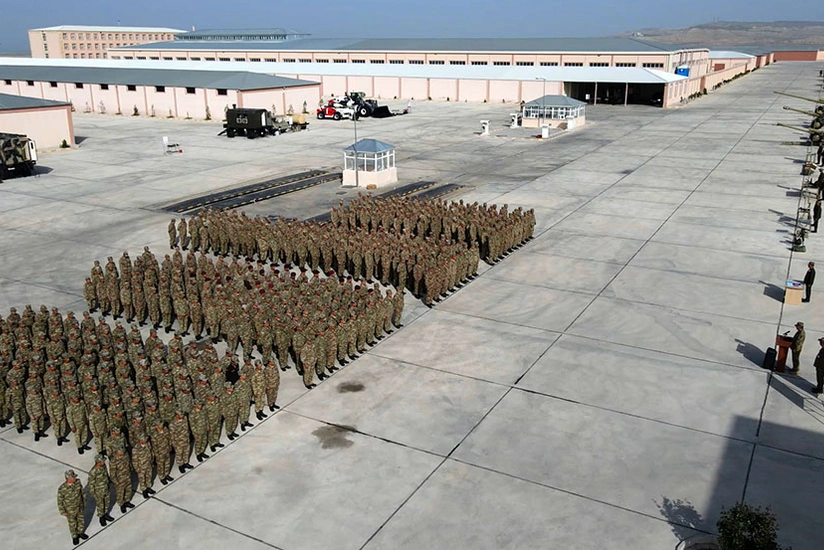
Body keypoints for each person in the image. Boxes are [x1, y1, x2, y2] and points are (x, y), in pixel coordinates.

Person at [57, 470, 88, 545]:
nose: (75, 478)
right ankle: (74, 536)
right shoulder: (62, 489)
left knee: (81, 521)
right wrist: (62, 511)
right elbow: (59, 501)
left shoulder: (77, 483)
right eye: (73, 477)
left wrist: (84, 502)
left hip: (79, 506)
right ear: (68, 478)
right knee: (72, 524)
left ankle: (80, 532)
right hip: (70, 510)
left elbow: (82, 493)